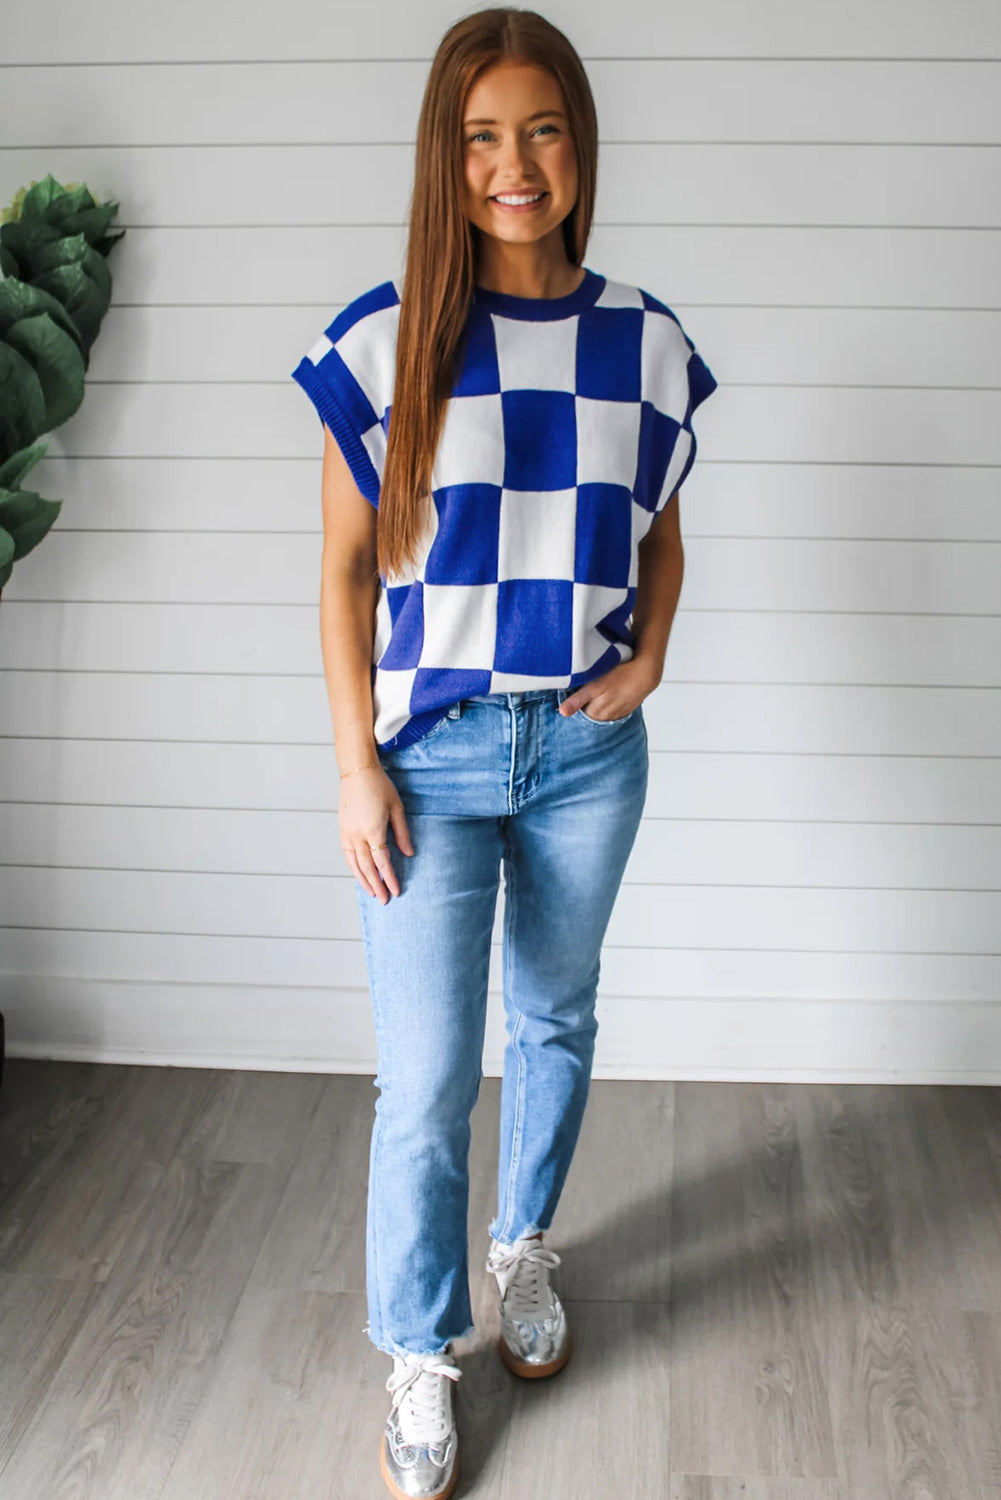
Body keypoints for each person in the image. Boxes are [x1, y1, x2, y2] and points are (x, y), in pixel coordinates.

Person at [290, 8, 718, 1496]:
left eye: (540, 128)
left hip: (589, 758)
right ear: (446, 155)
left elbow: (660, 538)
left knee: (554, 1019)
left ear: (579, 144)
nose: (514, 163)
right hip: (429, 761)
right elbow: (344, 573)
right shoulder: (383, 338)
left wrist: (650, 658)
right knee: (423, 1080)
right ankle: (421, 1351)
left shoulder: (643, 340)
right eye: (480, 136)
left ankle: (522, 1246)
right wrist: (356, 764)